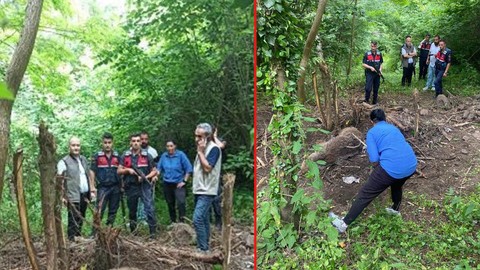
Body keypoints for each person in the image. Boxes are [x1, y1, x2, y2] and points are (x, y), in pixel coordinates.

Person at [330, 109, 417, 233]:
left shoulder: (372, 133)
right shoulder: (393, 128)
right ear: (385, 118)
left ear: (372, 121)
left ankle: (343, 224)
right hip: (411, 165)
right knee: (397, 184)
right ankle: (395, 210)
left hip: (392, 168)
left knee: (365, 193)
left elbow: (374, 159)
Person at [118, 133, 158, 239]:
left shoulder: (147, 156)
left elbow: (155, 171)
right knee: (132, 211)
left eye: (138, 141)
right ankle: (134, 234)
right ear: (130, 142)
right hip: (131, 187)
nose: (136, 143)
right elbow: (119, 170)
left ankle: (153, 235)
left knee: (149, 209)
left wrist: (146, 177)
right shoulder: (125, 156)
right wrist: (128, 170)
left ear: (140, 142)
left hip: (145, 186)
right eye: (134, 141)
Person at [57, 136, 94, 241]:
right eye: (73, 145)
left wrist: (91, 190)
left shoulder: (83, 159)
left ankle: (78, 238)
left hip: (84, 194)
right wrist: (62, 196)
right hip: (72, 195)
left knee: (81, 217)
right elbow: (60, 180)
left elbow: (88, 175)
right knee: (73, 219)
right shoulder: (63, 162)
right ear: (69, 146)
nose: (76, 147)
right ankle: (71, 240)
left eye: (78, 145)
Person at [192, 123, 222, 252]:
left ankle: (203, 248)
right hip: (199, 188)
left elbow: (208, 167)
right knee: (203, 219)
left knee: (197, 218)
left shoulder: (214, 149)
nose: (197, 139)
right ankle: (203, 245)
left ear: (208, 137)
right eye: (196, 136)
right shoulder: (203, 149)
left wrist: (200, 152)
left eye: (200, 136)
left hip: (207, 190)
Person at [89, 132, 121, 227]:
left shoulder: (117, 156)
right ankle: (95, 232)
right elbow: (92, 171)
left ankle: (109, 230)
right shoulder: (97, 156)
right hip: (102, 187)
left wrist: (122, 186)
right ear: (102, 143)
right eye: (105, 142)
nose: (107, 145)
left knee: (113, 210)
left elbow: (121, 170)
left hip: (115, 187)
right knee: (99, 210)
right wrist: (92, 186)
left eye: (109, 142)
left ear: (112, 143)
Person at [157, 140, 193, 223]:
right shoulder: (164, 156)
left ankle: (182, 222)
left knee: (181, 202)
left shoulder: (180, 155)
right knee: (170, 203)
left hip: (178, 183)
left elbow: (189, 169)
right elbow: (159, 168)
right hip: (167, 183)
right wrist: (156, 175)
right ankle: (173, 222)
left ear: (175, 146)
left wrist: (184, 181)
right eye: (168, 146)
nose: (169, 148)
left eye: (171, 146)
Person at [137, 131, 159, 222]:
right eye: (142, 139)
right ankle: (138, 219)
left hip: (149, 179)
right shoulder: (133, 150)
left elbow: (156, 166)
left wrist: (155, 176)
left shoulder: (153, 151)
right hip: (136, 180)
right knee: (137, 200)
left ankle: (148, 219)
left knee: (148, 200)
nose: (144, 141)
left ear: (148, 140)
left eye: (146, 139)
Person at [211, 125, 226, 231]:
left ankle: (218, 222)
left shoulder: (220, 141)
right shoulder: (204, 143)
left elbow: (221, 146)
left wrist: (215, 136)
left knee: (217, 199)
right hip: (206, 175)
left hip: (217, 174)